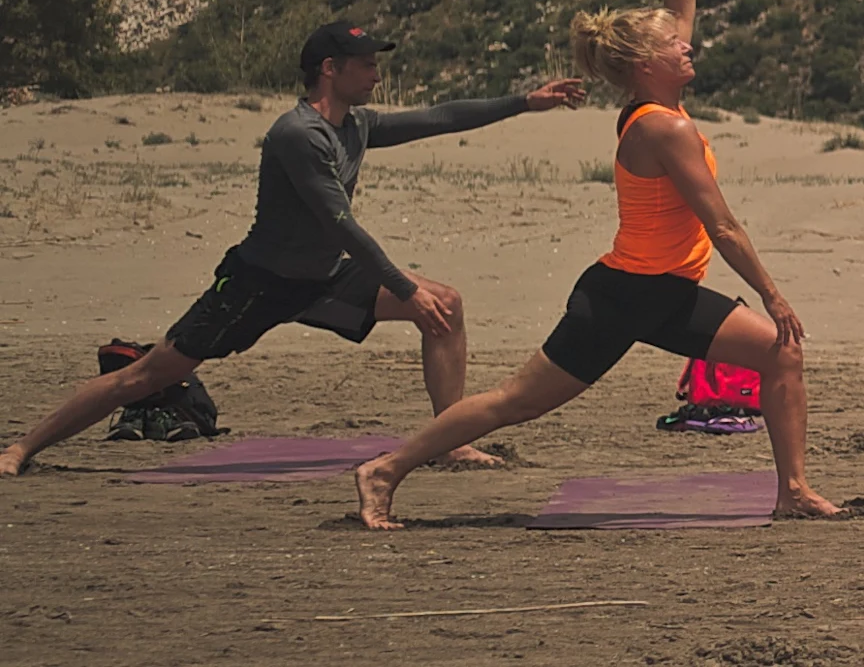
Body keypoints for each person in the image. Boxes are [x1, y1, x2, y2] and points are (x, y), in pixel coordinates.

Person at [356, 0, 845, 528]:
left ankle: (794, 491)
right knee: (515, 402)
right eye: (675, 45)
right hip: (621, 296)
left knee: (781, 353)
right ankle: (385, 470)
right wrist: (774, 294)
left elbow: (680, 8)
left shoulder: (663, 102)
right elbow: (721, 224)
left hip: (666, 291)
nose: (688, 44)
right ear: (646, 63)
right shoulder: (658, 125)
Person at [0, 26, 587, 477]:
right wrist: (403, 285)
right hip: (260, 282)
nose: (376, 75)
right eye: (366, 65)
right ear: (330, 70)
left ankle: (449, 439)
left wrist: (523, 102)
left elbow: (437, 118)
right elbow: (340, 225)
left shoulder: (356, 125)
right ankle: (22, 446)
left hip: (325, 278)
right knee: (149, 375)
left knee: (446, 305)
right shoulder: (297, 134)